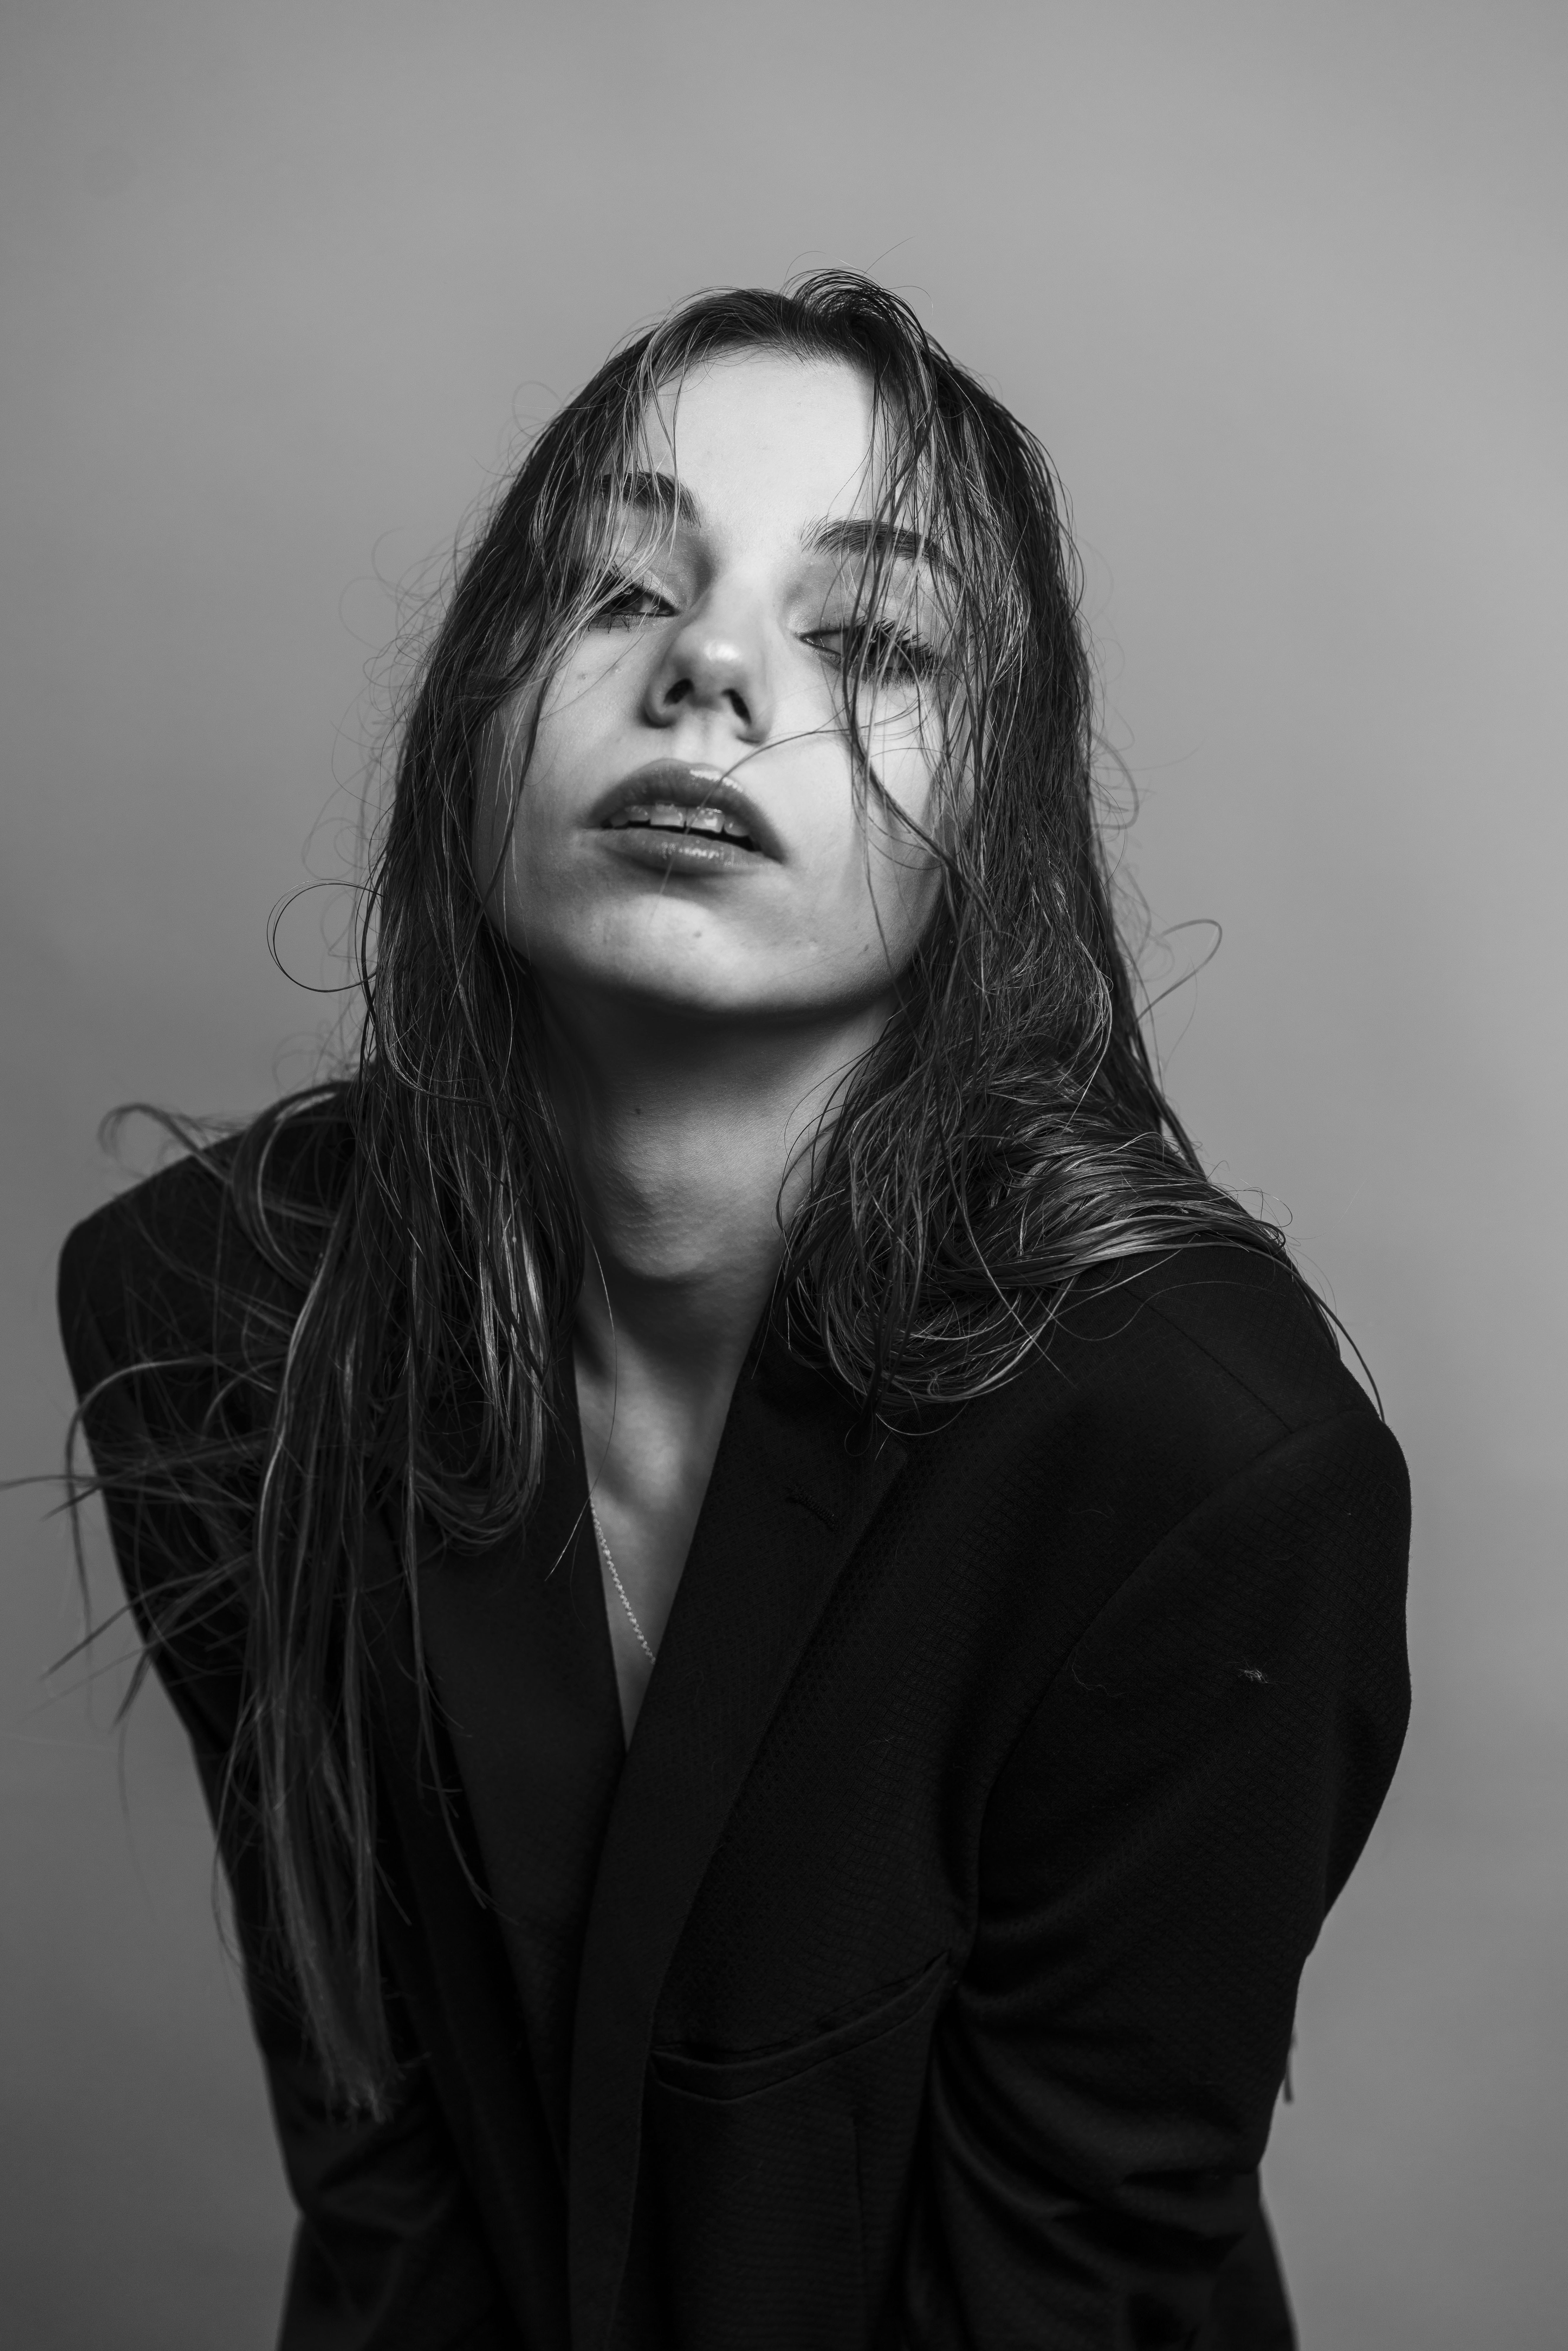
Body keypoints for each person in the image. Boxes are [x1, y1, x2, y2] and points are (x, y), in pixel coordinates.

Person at [58, 272, 1411, 2350]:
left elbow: (1062, 2275)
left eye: (868, 640)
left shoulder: (1198, 1458)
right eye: (612, 590)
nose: (706, 667)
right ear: (472, 714)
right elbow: (380, 2160)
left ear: (993, 824)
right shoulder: (222, 1312)